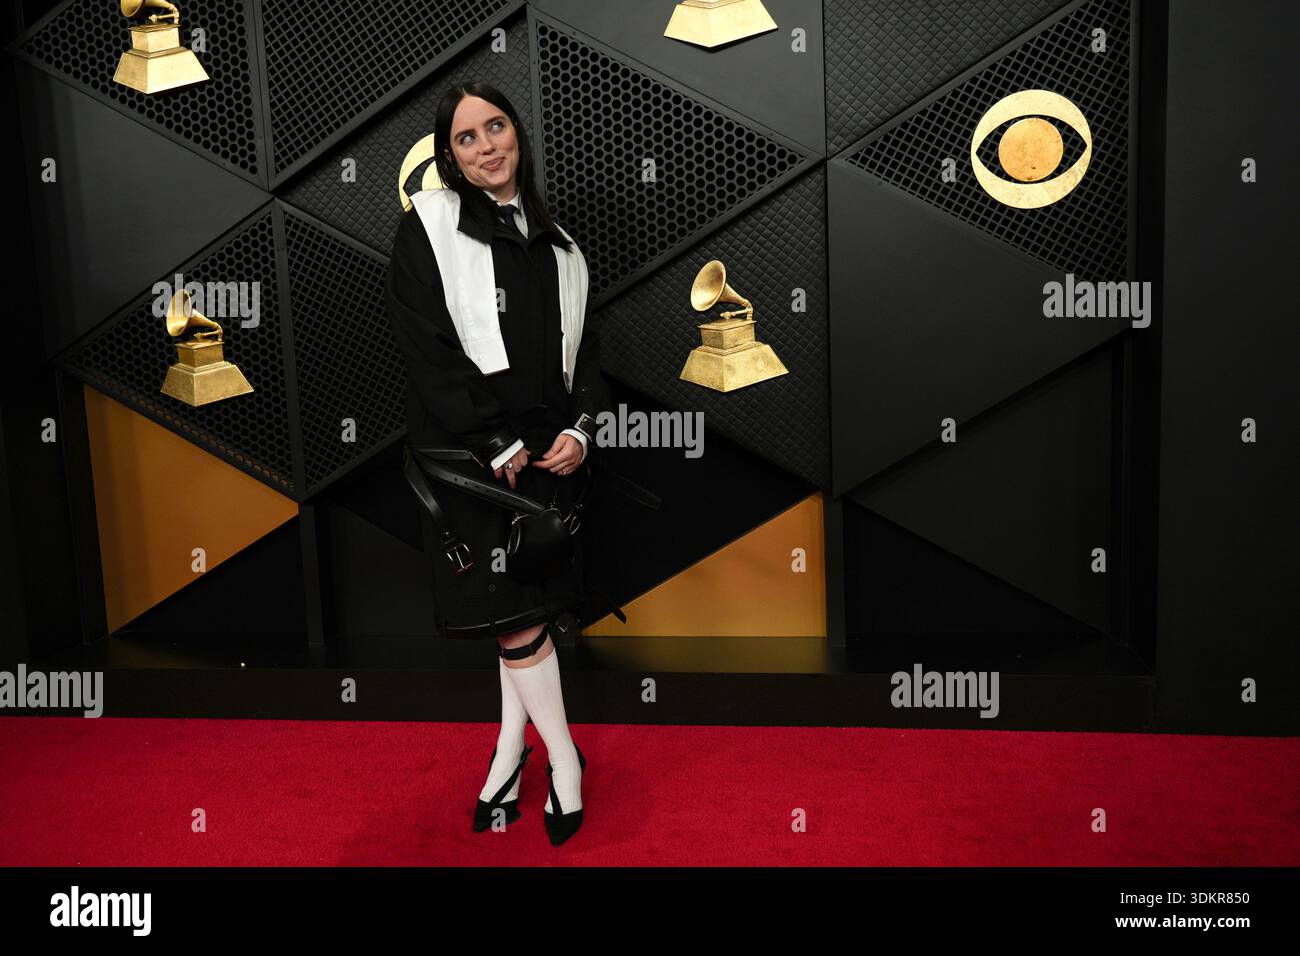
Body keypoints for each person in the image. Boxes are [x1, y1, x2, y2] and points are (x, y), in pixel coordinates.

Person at [383, 82, 611, 846]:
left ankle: (508, 761)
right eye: (466, 138)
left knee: (522, 621)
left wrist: (580, 430)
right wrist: (496, 441)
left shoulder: (562, 245)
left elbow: (589, 360)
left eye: (496, 127)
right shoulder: (429, 226)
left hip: (547, 463)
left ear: (517, 132)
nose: (486, 147)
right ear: (448, 156)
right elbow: (426, 351)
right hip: (473, 461)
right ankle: (566, 764)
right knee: (515, 627)